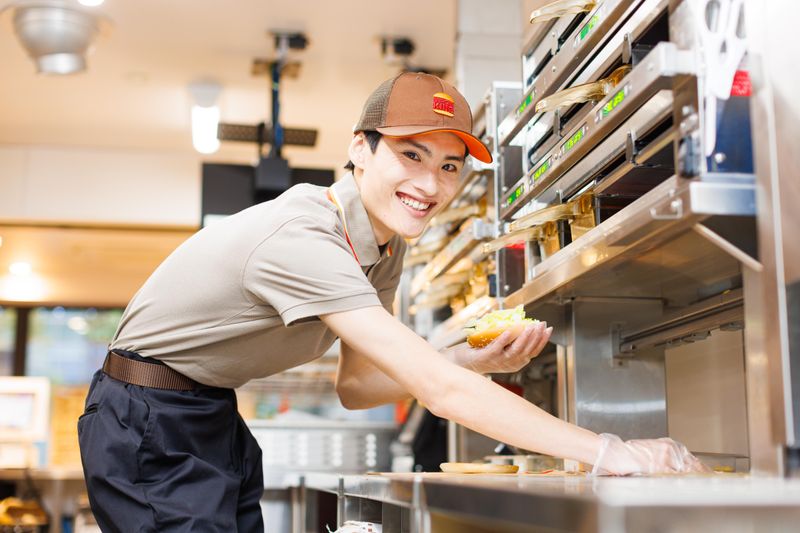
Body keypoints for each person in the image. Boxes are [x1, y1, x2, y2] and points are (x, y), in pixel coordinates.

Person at [77, 72, 707, 532]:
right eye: (411, 154)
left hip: (207, 413)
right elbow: (436, 391)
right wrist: (610, 452)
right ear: (360, 149)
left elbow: (357, 385)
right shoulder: (305, 235)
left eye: (451, 166)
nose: (430, 185)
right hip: (145, 417)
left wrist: (470, 361)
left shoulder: (382, 245)